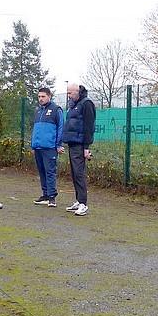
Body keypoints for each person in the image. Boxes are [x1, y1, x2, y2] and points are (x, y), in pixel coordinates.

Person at [60, 82, 95, 217]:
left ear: (77, 91)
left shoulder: (87, 104)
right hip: (72, 143)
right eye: (67, 93)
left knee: (79, 174)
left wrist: (86, 147)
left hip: (80, 145)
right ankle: (78, 200)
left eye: (70, 93)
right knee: (74, 173)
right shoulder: (73, 105)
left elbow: (89, 126)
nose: (68, 96)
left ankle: (83, 204)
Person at [30, 87, 64, 207]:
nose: (41, 99)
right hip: (38, 147)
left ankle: (51, 197)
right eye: (39, 96)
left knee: (50, 172)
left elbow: (61, 127)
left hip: (50, 147)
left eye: (43, 96)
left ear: (49, 96)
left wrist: (59, 144)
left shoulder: (56, 110)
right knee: (42, 172)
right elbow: (35, 129)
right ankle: (45, 195)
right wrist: (33, 145)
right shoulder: (38, 111)